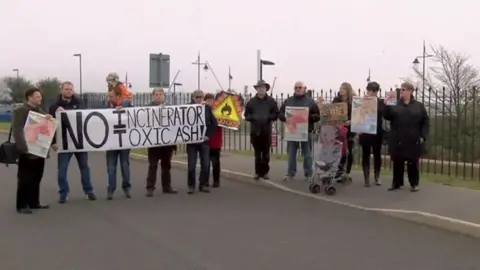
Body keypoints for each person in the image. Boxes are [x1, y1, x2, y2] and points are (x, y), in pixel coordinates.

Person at [49, 81, 96, 203]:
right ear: (62, 90)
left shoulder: (80, 104)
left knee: (84, 167)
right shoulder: (54, 107)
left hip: (79, 141)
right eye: (66, 89)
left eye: (70, 89)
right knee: (62, 169)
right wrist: (53, 142)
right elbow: (50, 125)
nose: (69, 91)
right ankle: (63, 192)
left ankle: (88, 191)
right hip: (64, 142)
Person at [12, 88, 52, 214]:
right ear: (30, 97)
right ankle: (22, 204)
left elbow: (45, 130)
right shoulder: (20, 111)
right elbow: (17, 130)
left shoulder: (40, 112)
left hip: (39, 151)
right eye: (38, 96)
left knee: (36, 177)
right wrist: (23, 148)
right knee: (25, 178)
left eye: (40, 96)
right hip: (27, 150)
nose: (40, 98)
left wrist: (49, 119)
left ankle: (34, 202)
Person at [383, 82, 429, 192]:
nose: (401, 92)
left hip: (413, 138)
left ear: (410, 91)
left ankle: (414, 183)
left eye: (403, 89)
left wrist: (423, 136)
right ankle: (397, 183)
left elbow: (425, 122)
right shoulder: (395, 104)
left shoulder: (418, 106)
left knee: (412, 162)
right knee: (397, 162)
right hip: (398, 137)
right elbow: (387, 116)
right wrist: (386, 105)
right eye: (401, 89)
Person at [279, 81, 320, 181]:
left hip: (306, 131)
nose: (298, 89)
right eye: (296, 87)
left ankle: (309, 174)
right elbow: (280, 113)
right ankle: (290, 174)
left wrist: (308, 117)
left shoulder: (310, 101)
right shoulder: (288, 101)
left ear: (304, 88)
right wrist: (285, 118)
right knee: (291, 154)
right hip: (292, 131)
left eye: (300, 87)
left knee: (308, 155)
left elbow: (317, 116)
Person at [145, 88, 178, 197]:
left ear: (164, 96)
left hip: (166, 142)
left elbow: (174, 122)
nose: (159, 96)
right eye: (156, 94)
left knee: (166, 165)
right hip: (154, 142)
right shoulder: (147, 108)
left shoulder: (169, 107)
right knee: (153, 165)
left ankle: (167, 186)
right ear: (153, 96)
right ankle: (150, 188)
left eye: (161, 94)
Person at [244, 80, 279, 180]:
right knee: (257, 154)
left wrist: (268, 117)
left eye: (263, 87)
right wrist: (253, 117)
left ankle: (265, 172)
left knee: (266, 154)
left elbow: (276, 114)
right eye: (259, 87)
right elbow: (246, 115)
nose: (261, 89)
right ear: (256, 89)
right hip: (255, 131)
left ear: (266, 89)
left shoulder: (271, 101)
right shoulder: (251, 102)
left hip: (266, 131)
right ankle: (257, 172)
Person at [186, 90, 218, 194]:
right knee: (191, 165)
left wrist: (208, 136)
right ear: (193, 98)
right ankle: (191, 185)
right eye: (197, 97)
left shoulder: (207, 109)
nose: (199, 99)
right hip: (191, 142)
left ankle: (203, 184)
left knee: (205, 164)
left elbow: (214, 124)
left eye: (200, 97)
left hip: (203, 142)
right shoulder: (186, 108)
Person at [105, 90, 132, 200]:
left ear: (117, 97)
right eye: (109, 96)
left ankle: (126, 187)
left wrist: (124, 108)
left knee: (125, 165)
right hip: (111, 142)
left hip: (123, 141)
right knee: (111, 167)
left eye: (112, 96)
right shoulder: (104, 108)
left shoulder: (125, 106)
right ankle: (111, 189)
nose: (110, 98)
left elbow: (136, 112)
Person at [359, 81, 385, 187]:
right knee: (365, 154)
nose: (372, 93)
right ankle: (366, 178)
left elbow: (385, 113)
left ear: (377, 92)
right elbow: (357, 115)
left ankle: (377, 176)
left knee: (377, 154)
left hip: (377, 131)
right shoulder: (362, 101)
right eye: (370, 91)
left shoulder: (380, 102)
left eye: (374, 91)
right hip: (365, 131)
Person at [332, 82, 356, 177]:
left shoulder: (353, 101)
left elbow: (358, 115)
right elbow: (331, 113)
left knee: (348, 150)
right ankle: (338, 169)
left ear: (348, 90)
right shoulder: (336, 100)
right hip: (338, 129)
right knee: (338, 150)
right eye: (340, 88)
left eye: (343, 88)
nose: (341, 90)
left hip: (349, 129)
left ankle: (347, 171)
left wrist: (350, 121)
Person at [204, 93, 223, 188]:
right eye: (208, 100)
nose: (209, 102)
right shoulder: (202, 111)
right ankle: (205, 181)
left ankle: (216, 181)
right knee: (205, 163)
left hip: (216, 141)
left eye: (211, 100)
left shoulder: (219, 111)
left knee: (215, 162)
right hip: (206, 141)